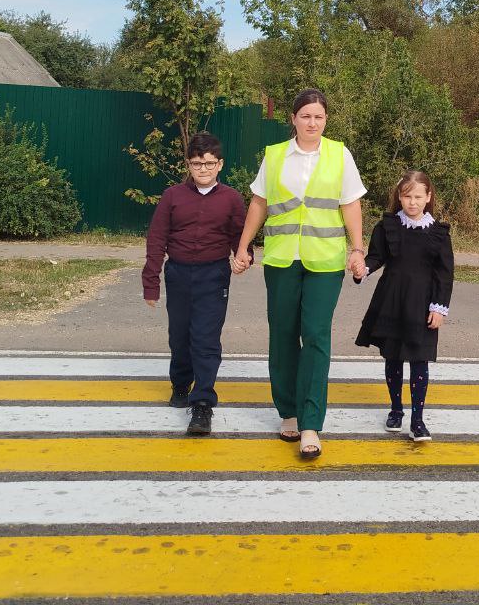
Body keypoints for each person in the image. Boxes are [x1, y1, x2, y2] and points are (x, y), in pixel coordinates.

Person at [231, 88, 366, 459]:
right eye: (305, 116)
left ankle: (311, 424)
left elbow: (350, 203)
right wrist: (243, 247)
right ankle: (287, 412)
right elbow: (259, 203)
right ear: (293, 119)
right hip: (281, 260)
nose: (312, 123)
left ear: (326, 120)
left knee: (317, 337)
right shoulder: (274, 156)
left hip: (325, 262)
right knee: (284, 335)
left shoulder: (340, 154)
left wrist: (357, 249)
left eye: (319, 117)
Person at [143, 131, 245, 437]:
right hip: (178, 274)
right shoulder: (172, 196)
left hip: (214, 276)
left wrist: (244, 256)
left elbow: (239, 235)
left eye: (209, 163)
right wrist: (151, 282)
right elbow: (157, 239)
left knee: (206, 339)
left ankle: (202, 403)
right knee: (180, 335)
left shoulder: (232, 198)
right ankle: (180, 382)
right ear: (188, 164)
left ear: (220, 164)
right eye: (197, 163)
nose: (203, 169)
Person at [353, 170, 454, 442]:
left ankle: (418, 420)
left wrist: (438, 308)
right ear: (399, 196)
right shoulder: (387, 226)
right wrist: (363, 269)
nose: (412, 202)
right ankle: (396, 410)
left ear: (428, 197)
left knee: (420, 360)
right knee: (393, 357)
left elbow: (444, 275)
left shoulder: (438, 233)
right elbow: (376, 258)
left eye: (418, 196)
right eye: (407, 196)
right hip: (392, 299)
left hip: (422, 304)